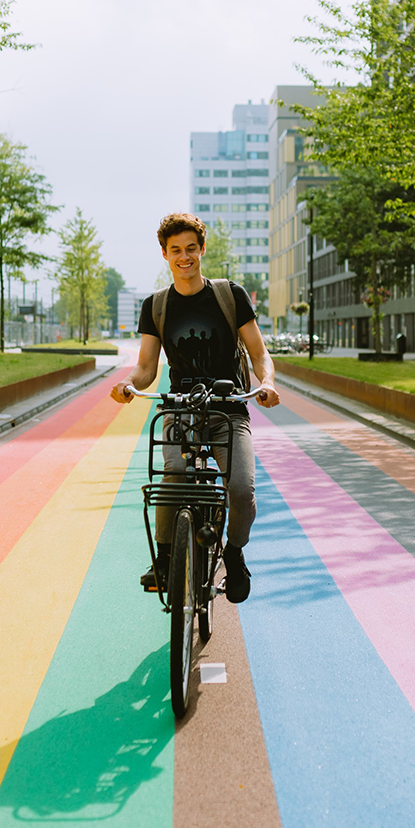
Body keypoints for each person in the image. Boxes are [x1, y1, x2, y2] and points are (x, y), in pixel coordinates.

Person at [111, 211, 280, 603]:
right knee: (173, 474)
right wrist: (127, 385)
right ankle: (166, 557)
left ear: (202, 249)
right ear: (165, 255)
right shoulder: (156, 306)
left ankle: (234, 554)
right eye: (175, 250)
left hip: (228, 410)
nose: (184, 256)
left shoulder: (230, 296)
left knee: (240, 491)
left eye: (191, 248)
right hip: (180, 408)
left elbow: (259, 353)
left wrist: (267, 382)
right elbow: (146, 369)